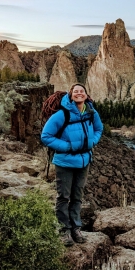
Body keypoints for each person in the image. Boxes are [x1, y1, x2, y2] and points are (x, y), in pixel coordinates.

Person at [41, 83, 103, 246]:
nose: (79, 93)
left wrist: (92, 142)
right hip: (65, 162)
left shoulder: (91, 112)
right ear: (71, 95)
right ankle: (64, 230)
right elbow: (46, 136)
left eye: (81, 91)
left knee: (77, 197)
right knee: (64, 197)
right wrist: (67, 146)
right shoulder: (62, 114)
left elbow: (99, 129)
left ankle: (76, 228)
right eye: (75, 91)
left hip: (84, 161)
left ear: (86, 94)